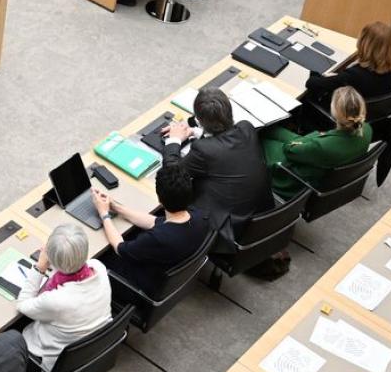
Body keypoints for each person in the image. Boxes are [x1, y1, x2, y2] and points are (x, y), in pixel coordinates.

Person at [157, 87, 270, 239]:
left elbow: (172, 175)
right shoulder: (246, 128)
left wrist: (174, 140)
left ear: (199, 120)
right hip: (263, 216)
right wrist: (195, 132)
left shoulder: (204, 150)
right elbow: (225, 143)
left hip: (228, 229)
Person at [98, 164, 208, 299]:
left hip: (136, 286)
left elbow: (120, 248)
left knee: (99, 256)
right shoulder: (198, 217)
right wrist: (115, 207)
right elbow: (153, 221)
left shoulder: (158, 238)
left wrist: (104, 214)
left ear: (160, 198)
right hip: (164, 273)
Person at [16, 221, 114, 371]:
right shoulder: (98, 267)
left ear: (51, 258)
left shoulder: (56, 300)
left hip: (50, 358)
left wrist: (40, 267)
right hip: (91, 345)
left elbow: (22, 304)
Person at [264, 86, 372, 206]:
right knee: (276, 132)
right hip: (319, 164)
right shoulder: (366, 129)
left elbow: (289, 149)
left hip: (292, 178)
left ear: (335, 112)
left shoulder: (322, 146)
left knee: (261, 137)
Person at [303, 21, 391, 108]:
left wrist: (318, 75)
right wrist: (338, 78)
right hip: (368, 115)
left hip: (341, 116)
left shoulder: (354, 75)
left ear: (364, 44)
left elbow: (311, 83)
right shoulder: (390, 74)